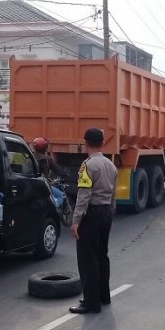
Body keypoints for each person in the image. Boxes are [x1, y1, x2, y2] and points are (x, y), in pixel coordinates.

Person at [69, 128, 118, 314]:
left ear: (85, 142)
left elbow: (84, 195)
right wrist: (111, 213)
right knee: (101, 255)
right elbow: (114, 195)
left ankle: (91, 302)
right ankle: (104, 296)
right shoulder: (110, 165)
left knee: (87, 258)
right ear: (103, 142)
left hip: (92, 214)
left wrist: (76, 221)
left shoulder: (87, 166)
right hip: (106, 213)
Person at [32, 137, 68, 207]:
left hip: (31, 184)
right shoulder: (47, 159)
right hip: (43, 185)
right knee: (61, 196)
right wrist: (65, 175)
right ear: (45, 147)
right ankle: (55, 211)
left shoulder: (30, 156)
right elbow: (58, 170)